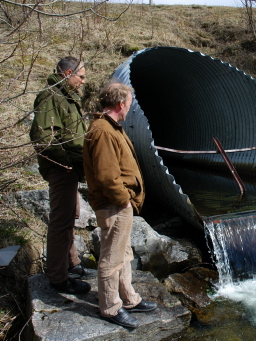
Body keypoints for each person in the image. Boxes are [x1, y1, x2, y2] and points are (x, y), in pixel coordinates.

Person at [83, 82, 156, 328]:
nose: (129, 110)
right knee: (111, 258)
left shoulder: (110, 127)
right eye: (129, 105)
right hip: (113, 205)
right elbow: (106, 176)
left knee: (123, 254)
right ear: (120, 104)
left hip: (118, 205)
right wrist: (124, 200)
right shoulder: (103, 130)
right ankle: (110, 307)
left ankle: (129, 299)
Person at [30, 56, 97, 295]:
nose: (83, 82)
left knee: (71, 214)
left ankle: (72, 264)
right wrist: (67, 164)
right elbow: (44, 139)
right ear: (68, 74)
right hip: (61, 168)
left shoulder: (65, 97)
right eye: (81, 76)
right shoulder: (51, 97)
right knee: (61, 220)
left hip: (69, 169)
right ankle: (58, 278)